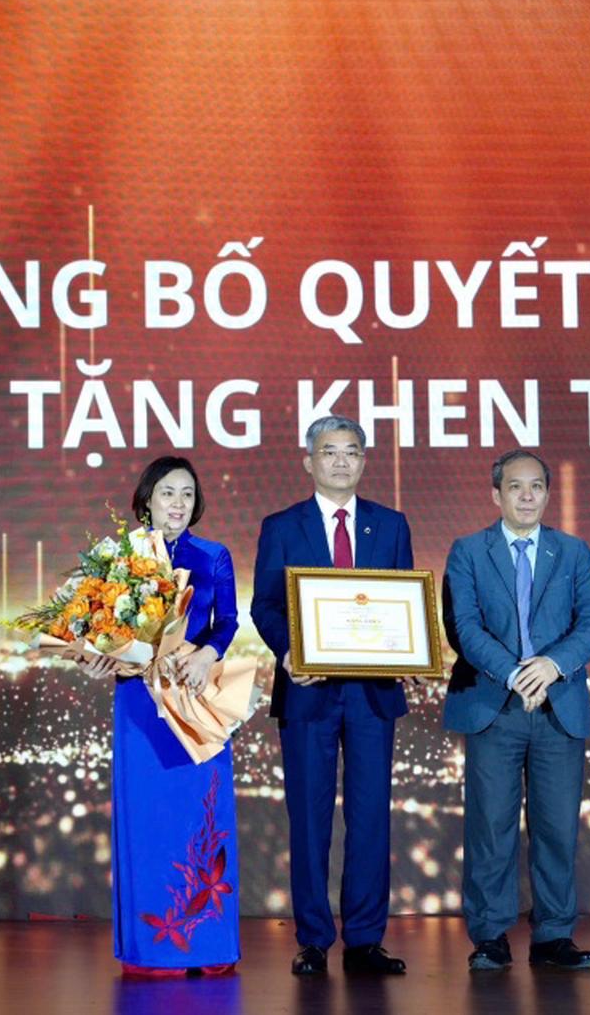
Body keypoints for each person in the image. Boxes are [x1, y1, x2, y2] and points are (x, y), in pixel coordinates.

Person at [250, 415, 413, 977]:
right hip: (307, 691)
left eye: (352, 451)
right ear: (309, 461)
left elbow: (401, 603)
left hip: (373, 693)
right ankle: (314, 939)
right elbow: (265, 605)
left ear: (364, 461)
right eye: (329, 451)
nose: (341, 461)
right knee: (309, 818)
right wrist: (288, 652)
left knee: (370, 817)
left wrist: (409, 653)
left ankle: (365, 940)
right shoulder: (281, 526)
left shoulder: (390, 525)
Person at [441, 450, 590, 972]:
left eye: (536, 486)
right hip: (495, 706)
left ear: (547, 493)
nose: (527, 496)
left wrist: (552, 667)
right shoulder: (468, 551)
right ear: (496, 495)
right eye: (516, 486)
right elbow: (464, 627)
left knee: (557, 828)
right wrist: (517, 674)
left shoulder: (574, 552)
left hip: (558, 706)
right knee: (491, 828)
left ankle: (554, 935)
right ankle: (490, 935)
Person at [80, 456, 240, 977]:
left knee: (201, 812)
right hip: (140, 702)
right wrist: (96, 657)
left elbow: (227, 621)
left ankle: (207, 944)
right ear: (147, 499)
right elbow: (98, 628)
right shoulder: (121, 558)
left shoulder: (213, 555)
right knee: (147, 818)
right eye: (168, 492)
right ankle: (154, 950)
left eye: (187, 494)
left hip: (195, 695)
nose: (178, 503)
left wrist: (207, 654)